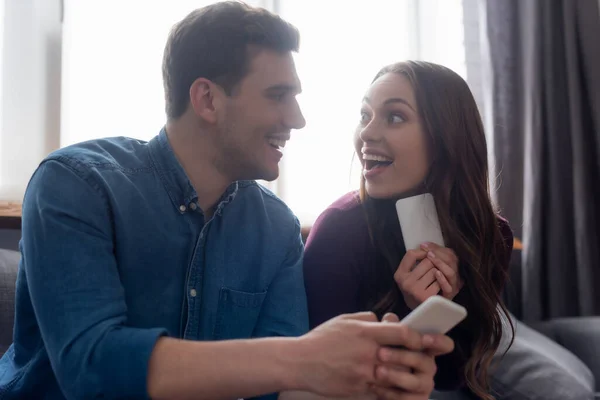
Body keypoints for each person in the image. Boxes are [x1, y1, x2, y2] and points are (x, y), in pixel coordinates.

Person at [0, 4, 454, 400]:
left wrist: (374, 384)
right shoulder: (76, 184)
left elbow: (279, 392)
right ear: (208, 99)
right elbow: (90, 365)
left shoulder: (276, 228)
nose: (296, 119)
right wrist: (299, 357)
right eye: (279, 96)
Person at [303, 61, 515, 400]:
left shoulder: (490, 236)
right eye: (364, 115)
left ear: (445, 139)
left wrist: (436, 313)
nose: (367, 134)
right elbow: (314, 379)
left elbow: (454, 379)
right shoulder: (340, 231)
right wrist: (411, 318)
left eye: (395, 117)